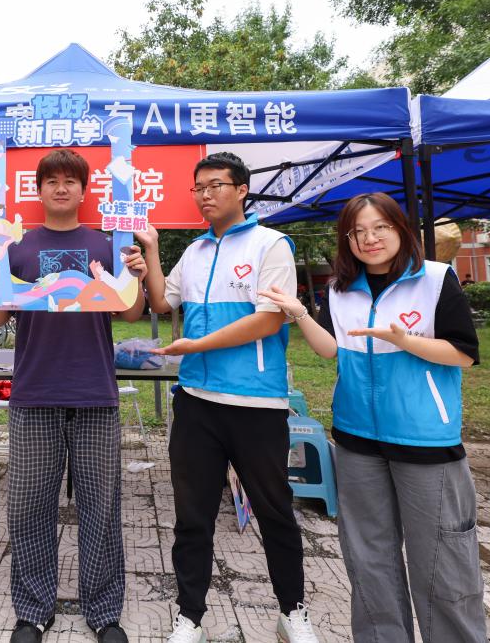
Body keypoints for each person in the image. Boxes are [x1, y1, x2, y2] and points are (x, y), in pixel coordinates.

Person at [258, 192, 486, 642]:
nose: (370, 238)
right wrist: (300, 313)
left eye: (380, 227)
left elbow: (463, 353)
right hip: (356, 440)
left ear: (400, 229)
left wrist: (406, 341)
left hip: (425, 442)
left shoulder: (435, 279)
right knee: (368, 559)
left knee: (442, 562)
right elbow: (331, 349)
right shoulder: (340, 289)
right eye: (358, 231)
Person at [136, 152, 319, 643]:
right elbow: (162, 301)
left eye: (215, 185)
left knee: (275, 511)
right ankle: (189, 616)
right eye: (198, 188)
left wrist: (196, 345)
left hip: (256, 404)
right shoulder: (195, 251)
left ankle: (292, 611)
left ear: (241, 190)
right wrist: (151, 250)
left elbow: (268, 320)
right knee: (192, 516)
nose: (205, 195)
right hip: (196, 401)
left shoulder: (271, 245)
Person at [0, 149, 147, 643]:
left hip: (95, 393)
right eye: (51, 180)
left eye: (71, 180)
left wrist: (134, 275)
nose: (61, 188)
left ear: (84, 190)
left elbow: (130, 314)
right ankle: (33, 610)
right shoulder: (17, 247)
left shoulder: (108, 244)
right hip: (34, 394)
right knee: (29, 505)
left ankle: (104, 612)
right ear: (38, 190)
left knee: (101, 506)